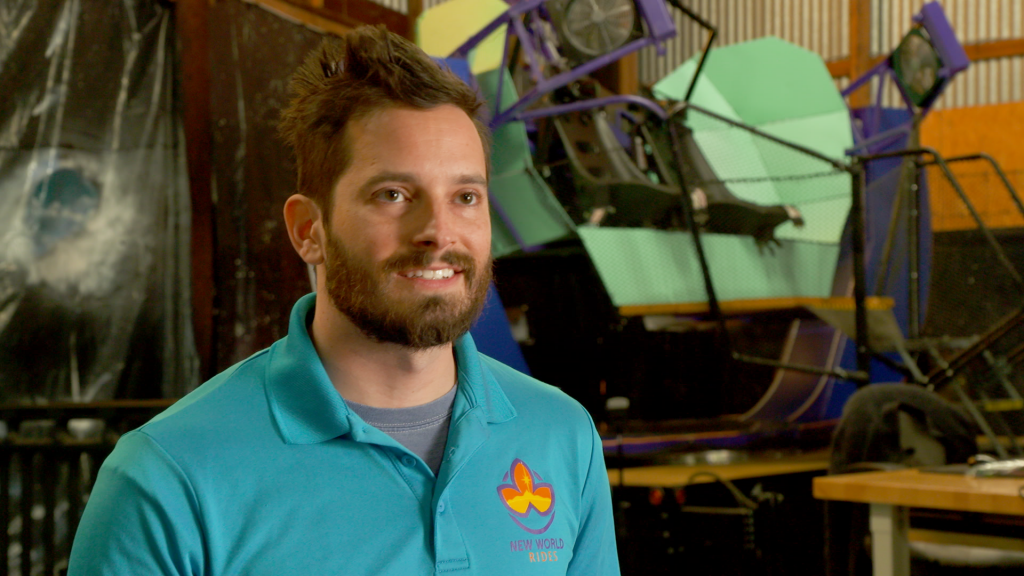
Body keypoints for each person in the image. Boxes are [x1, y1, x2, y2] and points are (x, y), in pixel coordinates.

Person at [68, 25, 619, 575]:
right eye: (393, 195)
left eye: (465, 196)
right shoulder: (169, 479)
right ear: (309, 229)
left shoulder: (561, 436)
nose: (439, 231)